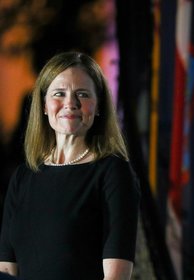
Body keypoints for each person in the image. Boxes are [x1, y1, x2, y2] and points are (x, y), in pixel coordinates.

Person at [0, 52, 140, 280]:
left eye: (82, 94)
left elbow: (116, 277)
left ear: (98, 107)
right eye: (59, 94)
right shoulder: (23, 176)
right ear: (44, 106)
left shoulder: (113, 173)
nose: (70, 104)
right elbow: (6, 269)